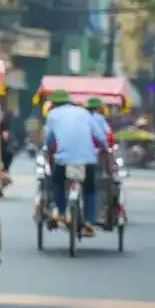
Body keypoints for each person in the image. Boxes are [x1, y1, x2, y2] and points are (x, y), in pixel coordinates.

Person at [43, 88, 109, 235]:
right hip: (88, 159)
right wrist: (105, 148)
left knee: (58, 182)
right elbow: (99, 135)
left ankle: (60, 211)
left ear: (54, 104)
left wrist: (46, 148)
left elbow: (48, 138)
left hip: (63, 159)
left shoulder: (52, 115)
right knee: (90, 189)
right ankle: (90, 221)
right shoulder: (84, 113)